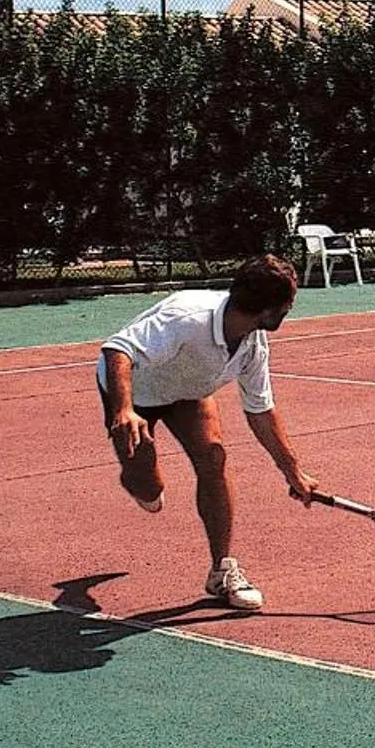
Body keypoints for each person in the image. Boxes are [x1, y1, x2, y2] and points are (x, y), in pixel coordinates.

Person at [96, 254, 319, 611]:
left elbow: (260, 410)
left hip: (189, 392)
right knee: (148, 488)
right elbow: (117, 349)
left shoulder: (252, 341)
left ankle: (222, 570)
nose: (290, 309)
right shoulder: (187, 318)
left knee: (213, 456)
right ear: (267, 308)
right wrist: (123, 410)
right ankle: (136, 480)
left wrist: (292, 471)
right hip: (136, 391)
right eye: (288, 303)